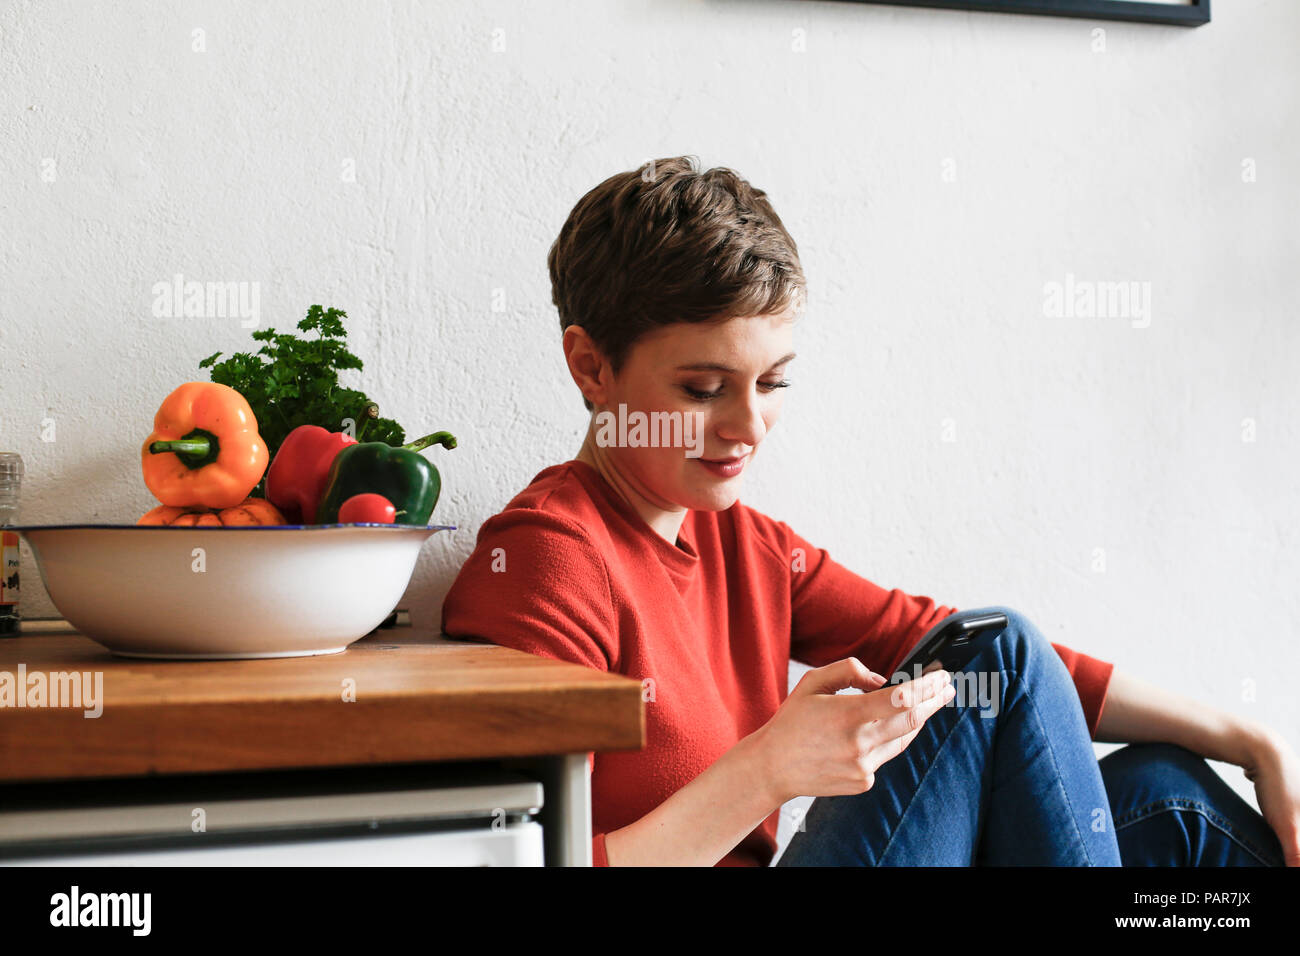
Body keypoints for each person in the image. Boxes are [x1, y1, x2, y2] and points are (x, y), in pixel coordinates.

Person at [440, 155, 1299, 867]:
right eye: (703, 390)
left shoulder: (746, 547)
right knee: (997, 644)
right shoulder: (548, 560)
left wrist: (1249, 737)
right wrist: (769, 768)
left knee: (1164, 795)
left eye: (773, 383)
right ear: (591, 369)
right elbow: (517, 861)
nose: (747, 427)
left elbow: (996, 673)